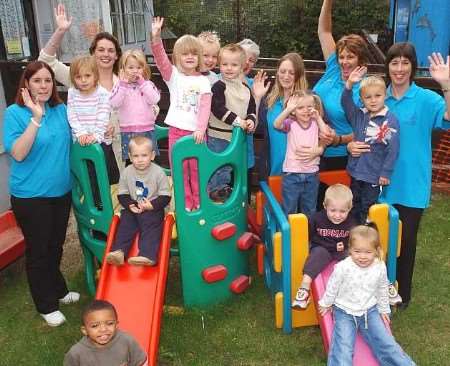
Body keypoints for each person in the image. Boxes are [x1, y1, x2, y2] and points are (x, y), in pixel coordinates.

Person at [349, 45, 450, 308]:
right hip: (376, 182)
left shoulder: (427, 99)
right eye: (395, 63)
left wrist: (447, 86)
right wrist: (351, 145)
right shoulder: (378, 97)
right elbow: (360, 129)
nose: (400, 69)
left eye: (406, 63)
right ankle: (370, 292)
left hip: (411, 184)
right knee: (372, 238)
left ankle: (400, 292)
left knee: (405, 242)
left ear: (413, 67)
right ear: (388, 67)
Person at [3, 61, 79, 327]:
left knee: (55, 246)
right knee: (39, 250)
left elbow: (75, 137)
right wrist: (35, 118)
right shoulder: (15, 113)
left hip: (61, 192)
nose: (44, 86)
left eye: (48, 80)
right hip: (31, 196)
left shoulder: (60, 110)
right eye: (37, 81)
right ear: (26, 84)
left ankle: (58, 289)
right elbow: (19, 153)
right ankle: (46, 304)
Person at [318, 225, 416, 366]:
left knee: (386, 343)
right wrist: (326, 303)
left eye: (368, 252)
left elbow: (382, 289)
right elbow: (333, 286)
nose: (362, 256)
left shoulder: (379, 267)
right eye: (357, 251)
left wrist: (383, 309)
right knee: (343, 347)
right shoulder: (343, 267)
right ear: (350, 249)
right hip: (344, 312)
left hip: (370, 311)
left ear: (376, 251)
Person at [151, 17, 211, 211]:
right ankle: (185, 205)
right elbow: (161, 60)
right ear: (177, 57)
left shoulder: (203, 81)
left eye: (194, 53)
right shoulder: (173, 76)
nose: (190, 57)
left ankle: (199, 202)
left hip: (196, 135)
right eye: (185, 54)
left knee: (196, 170)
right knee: (180, 170)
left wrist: (201, 129)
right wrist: (156, 37)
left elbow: (204, 107)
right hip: (176, 132)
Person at [314, 0, 371, 205]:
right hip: (315, 151)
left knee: (336, 208)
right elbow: (324, 31)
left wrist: (338, 140)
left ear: (361, 60)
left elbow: (368, 130)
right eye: (342, 57)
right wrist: (328, 2)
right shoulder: (333, 68)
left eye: (351, 57)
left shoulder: (364, 89)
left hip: (341, 157)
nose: (345, 62)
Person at [342, 69, 400, 224]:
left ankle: (365, 237)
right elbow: (346, 104)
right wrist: (349, 85)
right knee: (353, 204)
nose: (373, 100)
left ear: (385, 96)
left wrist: (385, 173)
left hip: (373, 175)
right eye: (368, 97)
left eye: (377, 95)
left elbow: (392, 149)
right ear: (361, 99)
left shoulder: (389, 121)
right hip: (355, 172)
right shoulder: (359, 116)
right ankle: (352, 233)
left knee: (368, 208)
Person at [106, 136, 171, 266]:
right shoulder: (126, 172)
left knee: (151, 225)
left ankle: (147, 255)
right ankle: (119, 252)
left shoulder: (158, 173)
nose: (140, 160)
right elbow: (122, 194)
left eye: (144, 155)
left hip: (153, 207)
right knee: (125, 224)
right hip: (134, 207)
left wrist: (152, 205)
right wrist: (130, 205)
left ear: (152, 155)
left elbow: (165, 196)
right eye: (135, 156)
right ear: (130, 157)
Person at [206, 43, 256, 202]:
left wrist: (250, 121)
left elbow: (252, 109)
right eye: (224, 64)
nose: (229, 68)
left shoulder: (245, 89)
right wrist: (237, 120)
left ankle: (226, 192)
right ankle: (215, 191)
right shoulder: (219, 86)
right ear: (219, 65)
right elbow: (217, 108)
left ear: (242, 66)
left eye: (234, 65)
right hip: (219, 136)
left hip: (237, 138)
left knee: (230, 166)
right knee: (219, 165)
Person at [292, 184, 355, 309]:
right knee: (317, 254)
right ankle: (304, 289)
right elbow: (307, 237)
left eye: (342, 211)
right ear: (325, 206)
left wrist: (347, 245)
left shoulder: (352, 223)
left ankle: (369, 286)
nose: (337, 215)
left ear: (350, 208)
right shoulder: (316, 219)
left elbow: (355, 241)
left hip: (341, 253)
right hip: (322, 249)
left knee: (356, 257)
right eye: (333, 210)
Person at [67, 55, 119, 199]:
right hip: (82, 140)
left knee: (102, 175)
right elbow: (72, 115)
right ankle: (93, 202)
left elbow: (103, 117)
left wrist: (95, 136)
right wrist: (81, 133)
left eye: (87, 76)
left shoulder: (102, 94)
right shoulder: (72, 93)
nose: (83, 80)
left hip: (100, 140)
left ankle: (104, 200)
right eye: (78, 77)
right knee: (87, 175)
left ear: (95, 75)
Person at [273, 90, 330, 217]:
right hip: (292, 174)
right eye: (300, 108)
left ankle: (308, 234)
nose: (305, 110)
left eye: (309, 107)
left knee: (309, 209)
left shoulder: (316, 124)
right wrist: (288, 109)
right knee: (290, 208)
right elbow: (276, 124)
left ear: (314, 108)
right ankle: (290, 235)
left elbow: (326, 134)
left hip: (312, 175)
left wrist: (318, 117)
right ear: (294, 111)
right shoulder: (291, 123)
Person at [258, 53, 309, 176]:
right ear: (277, 73)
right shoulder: (270, 101)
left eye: (291, 73)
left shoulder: (307, 100)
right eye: (283, 71)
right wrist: (257, 98)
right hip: (273, 169)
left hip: (297, 172)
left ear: (298, 75)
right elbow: (256, 127)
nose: (286, 76)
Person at [109, 49, 161, 165]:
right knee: (131, 164)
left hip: (147, 131)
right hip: (128, 132)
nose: (135, 71)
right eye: (131, 68)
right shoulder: (119, 86)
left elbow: (154, 99)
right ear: (123, 69)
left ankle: (151, 183)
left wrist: (143, 84)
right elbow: (114, 103)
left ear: (144, 69)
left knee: (150, 163)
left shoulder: (148, 85)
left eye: (138, 68)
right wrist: (122, 85)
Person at [63, 300, 147, 366]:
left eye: (109, 323)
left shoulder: (127, 341)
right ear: (85, 330)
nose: (103, 329)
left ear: (116, 325)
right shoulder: (76, 353)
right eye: (95, 326)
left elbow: (141, 362)